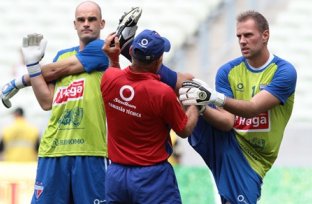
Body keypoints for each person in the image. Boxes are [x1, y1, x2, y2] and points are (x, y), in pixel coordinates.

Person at [18, 2, 143, 203]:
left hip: (90, 150)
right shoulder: (62, 55)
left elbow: (51, 71)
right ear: (74, 24)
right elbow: (46, 102)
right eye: (81, 20)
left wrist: (28, 73)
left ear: (102, 23)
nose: (86, 24)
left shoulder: (105, 52)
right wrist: (32, 65)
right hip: (53, 150)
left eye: (92, 19)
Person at [179, 10, 297, 203]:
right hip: (228, 139)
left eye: (248, 35)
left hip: (255, 158)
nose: (242, 41)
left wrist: (214, 97)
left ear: (265, 35)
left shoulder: (284, 71)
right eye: (239, 36)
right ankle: (136, 51)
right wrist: (202, 107)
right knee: (184, 85)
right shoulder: (227, 71)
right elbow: (227, 122)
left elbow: (252, 108)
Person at [101, 29, 199, 204]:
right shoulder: (162, 93)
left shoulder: (109, 78)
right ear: (158, 61)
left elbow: (115, 74)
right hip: (152, 178)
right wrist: (195, 103)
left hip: (115, 176)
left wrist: (113, 58)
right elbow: (184, 130)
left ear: (131, 51)